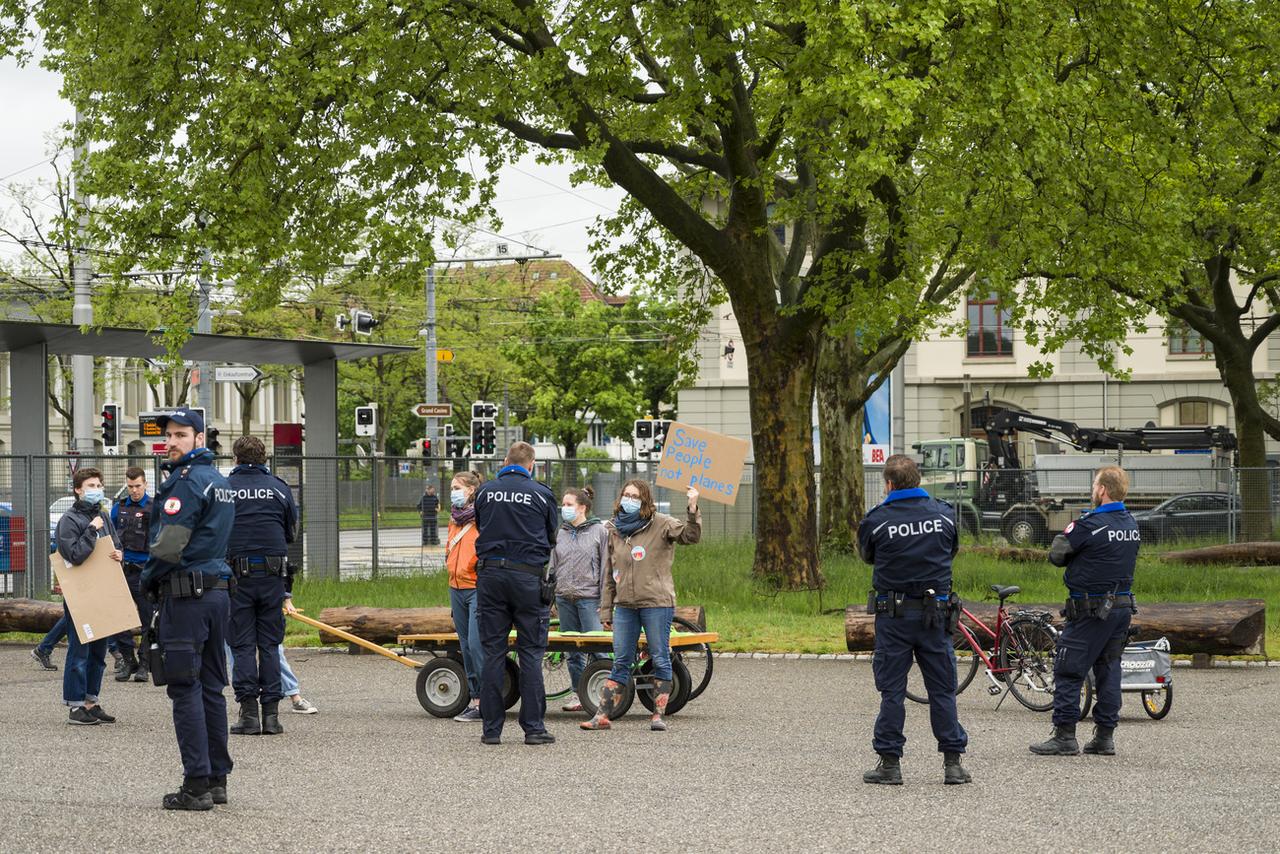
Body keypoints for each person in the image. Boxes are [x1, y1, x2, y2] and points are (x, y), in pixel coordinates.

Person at [140, 407, 236, 811]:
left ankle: (195, 785)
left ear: (200, 438)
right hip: (217, 595)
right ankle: (216, 780)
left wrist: (146, 581)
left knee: (185, 689)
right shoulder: (219, 480)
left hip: (186, 597)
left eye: (181, 435)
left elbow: (167, 547)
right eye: (169, 436)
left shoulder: (186, 482)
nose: (172, 442)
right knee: (212, 688)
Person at [857, 454, 970, 785]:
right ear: (918, 480)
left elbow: (868, 556)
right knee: (942, 690)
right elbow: (951, 550)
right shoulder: (945, 515)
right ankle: (953, 764)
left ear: (889, 484)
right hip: (936, 616)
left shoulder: (877, 520)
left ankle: (890, 763)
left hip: (895, 616)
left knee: (892, 690)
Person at [1031, 465, 1139, 758]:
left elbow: (1057, 555)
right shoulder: (1131, 523)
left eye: (1095, 485)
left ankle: (1065, 736)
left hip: (1090, 609)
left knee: (1068, 668)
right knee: (1108, 669)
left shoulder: (1091, 524)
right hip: (1121, 608)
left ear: (1102, 490)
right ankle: (1104, 737)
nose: (1093, 490)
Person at [581, 480, 700, 733]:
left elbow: (691, 536)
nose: (629, 499)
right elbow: (609, 574)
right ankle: (602, 715)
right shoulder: (614, 529)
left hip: (657, 603)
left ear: (645, 500)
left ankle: (658, 715)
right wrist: (606, 610)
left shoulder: (662, 523)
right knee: (621, 660)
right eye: (626, 495)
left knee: (660, 656)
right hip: (624, 606)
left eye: (635, 496)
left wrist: (692, 507)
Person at [472, 441, 559, 746]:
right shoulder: (542, 493)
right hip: (527, 580)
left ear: (506, 460)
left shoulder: (485, 491)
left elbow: (481, 525)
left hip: (491, 577)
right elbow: (551, 536)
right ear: (531, 465)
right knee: (531, 654)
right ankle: (533, 728)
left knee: (493, 653)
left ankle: (491, 730)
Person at [225, 435, 298, 737]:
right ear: (265, 457)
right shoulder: (279, 488)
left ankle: (249, 715)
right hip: (273, 577)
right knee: (269, 645)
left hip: (236, 578)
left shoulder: (224, 490)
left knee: (242, 645)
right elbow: (290, 531)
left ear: (236, 459)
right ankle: (272, 716)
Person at [54, 467, 124, 725]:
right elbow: (74, 555)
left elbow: (116, 544)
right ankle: (75, 706)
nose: (97, 490)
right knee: (79, 650)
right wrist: (92, 531)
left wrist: (119, 554)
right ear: (78, 490)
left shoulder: (103, 515)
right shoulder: (69, 520)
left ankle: (91, 701)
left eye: (98, 485)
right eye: (91, 486)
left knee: (98, 651)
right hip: (81, 595)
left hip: (103, 592)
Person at [550, 486, 609, 713]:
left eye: (569, 504)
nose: (564, 508)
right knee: (572, 651)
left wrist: (605, 601)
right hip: (565, 597)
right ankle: (577, 692)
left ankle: (603, 692)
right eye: (563, 504)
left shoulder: (598, 531)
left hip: (589, 598)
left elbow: (605, 567)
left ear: (582, 507)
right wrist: (550, 592)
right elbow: (553, 564)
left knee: (597, 648)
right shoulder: (561, 532)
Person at [108, 466, 154, 683]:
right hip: (122, 571)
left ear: (145, 484)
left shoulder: (154, 508)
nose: (134, 490)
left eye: (137, 486)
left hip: (145, 572)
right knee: (119, 619)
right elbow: (110, 537)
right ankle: (129, 659)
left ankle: (145, 663)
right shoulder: (119, 508)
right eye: (130, 486)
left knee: (147, 620)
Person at [445, 470, 483, 722]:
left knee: (476, 645)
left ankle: (483, 700)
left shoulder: (482, 517)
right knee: (465, 646)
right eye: (452, 488)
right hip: (455, 587)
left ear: (470, 490)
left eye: (457, 487)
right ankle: (475, 697)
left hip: (476, 587)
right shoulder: (454, 519)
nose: (453, 492)